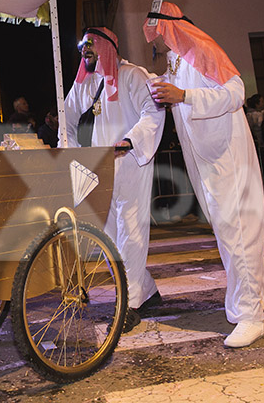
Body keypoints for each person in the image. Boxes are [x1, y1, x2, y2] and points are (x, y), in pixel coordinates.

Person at [144, 1, 264, 348]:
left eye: (156, 35)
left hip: (226, 155)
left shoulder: (202, 48)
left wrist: (183, 95)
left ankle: (249, 316)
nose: (153, 43)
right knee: (230, 227)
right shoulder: (174, 61)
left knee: (236, 231)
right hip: (203, 157)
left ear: (168, 29)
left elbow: (235, 92)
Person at [64, 26, 165, 331]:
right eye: (82, 45)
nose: (85, 49)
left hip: (131, 162)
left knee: (131, 230)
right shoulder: (83, 84)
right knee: (109, 238)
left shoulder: (133, 75)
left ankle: (130, 303)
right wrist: (70, 155)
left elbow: (153, 111)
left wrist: (130, 139)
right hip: (98, 170)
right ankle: (145, 290)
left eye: (91, 44)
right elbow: (66, 122)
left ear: (108, 45)